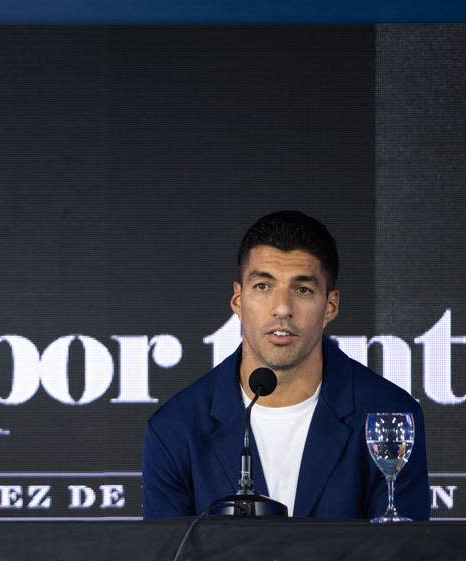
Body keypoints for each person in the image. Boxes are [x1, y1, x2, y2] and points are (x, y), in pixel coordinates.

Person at [142, 210, 430, 519]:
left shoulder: (390, 418)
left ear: (330, 306)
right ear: (238, 300)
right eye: (263, 286)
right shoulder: (175, 429)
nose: (282, 308)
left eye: (302, 290)